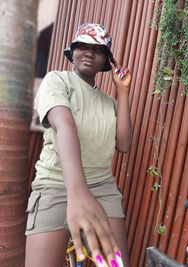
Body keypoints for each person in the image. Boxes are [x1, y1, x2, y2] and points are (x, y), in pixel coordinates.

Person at [25, 23, 132, 267]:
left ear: (106, 60)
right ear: (71, 52)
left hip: (103, 188)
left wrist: (123, 93)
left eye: (97, 49)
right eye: (82, 45)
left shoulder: (108, 103)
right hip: (57, 185)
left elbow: (124, 144)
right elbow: (65, 126)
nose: (89, 52)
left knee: (117, 265)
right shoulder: (56, 80)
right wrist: (78, 191)